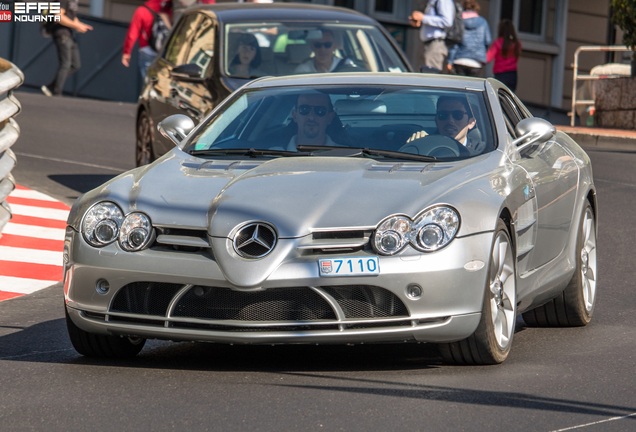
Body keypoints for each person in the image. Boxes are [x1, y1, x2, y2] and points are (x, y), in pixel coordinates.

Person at [40, 0, 93, 97]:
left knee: (75, 65)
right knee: (65, 64)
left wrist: (80, 25)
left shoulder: (74, 1)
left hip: (69, 34)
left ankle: (51, 87)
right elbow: (58, 16)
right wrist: (76, 25)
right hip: (61, 33)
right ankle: (56, 92)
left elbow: (72, 17)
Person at [402, 95, 483, 155]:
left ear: (471, 122)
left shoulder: (483, 151)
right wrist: (416, 145)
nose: (450, 121)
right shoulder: (424, 146)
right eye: (443, 115)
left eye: (458, 115)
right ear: (436, 120)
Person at [121, 0, 173, 80]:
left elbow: (132, 33)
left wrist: (126, 53)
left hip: (147, 51)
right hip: (166, 51)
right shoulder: (168, 8)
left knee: (149, 83)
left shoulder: (142, 10)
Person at [447, 0, 491, 77]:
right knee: (473, 88)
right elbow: (488, 41)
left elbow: (455, 42)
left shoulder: (459, 22)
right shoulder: (483, 22)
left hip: (459, 60)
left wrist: (450, 61)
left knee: (459, 87)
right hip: (476, 62)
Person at [409, 0, 455, 73]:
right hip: (429, 44)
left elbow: (447, 21)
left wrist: (423, 18)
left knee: (432, 76)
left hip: (436, 44)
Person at [486, 19, 522, 91]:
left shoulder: (498, 43)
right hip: (512, 74)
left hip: (500, 74)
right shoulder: (517, 44)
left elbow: (488, 58)